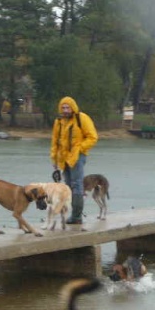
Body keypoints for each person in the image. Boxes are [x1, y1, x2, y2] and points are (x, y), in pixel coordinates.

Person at [49, 96, 98, 224]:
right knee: (68, 185)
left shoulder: (82, 118)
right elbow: (55, 141)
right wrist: (54, 158)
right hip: (64, 158)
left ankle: (76, 216)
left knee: (77, 184)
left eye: (68, 107)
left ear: (73, 107)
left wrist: (80, 148)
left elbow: (93, 137)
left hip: (78, 156)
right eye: (63, 107)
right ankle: (70, 213)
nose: (65, 110)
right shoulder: (58, 121)